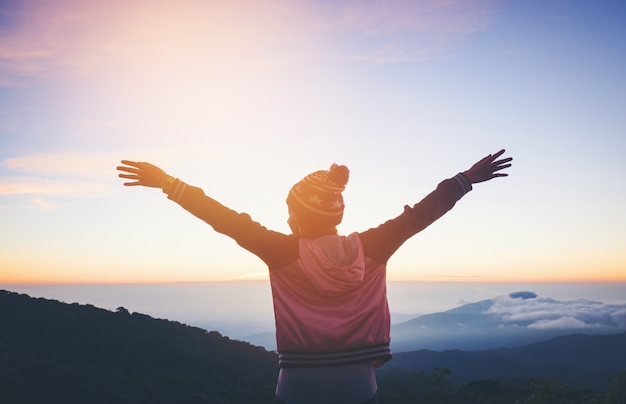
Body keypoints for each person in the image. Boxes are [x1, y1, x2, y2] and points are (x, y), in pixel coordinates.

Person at [117, 149, 512, 404]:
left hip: (297, 388)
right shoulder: (373, 246)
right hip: (360, 388)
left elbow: (223, 218)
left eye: (290, 214)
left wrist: (169, 183)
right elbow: (422, 213)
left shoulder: (284, 252)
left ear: (297, 216)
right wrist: (467, 178)